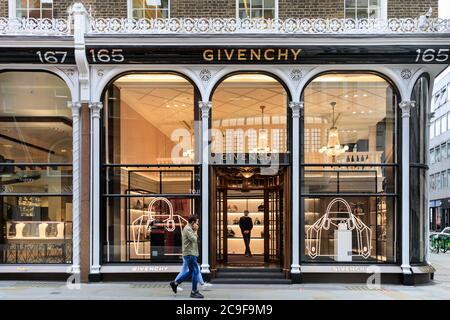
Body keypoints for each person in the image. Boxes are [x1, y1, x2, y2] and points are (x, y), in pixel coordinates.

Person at [169, 215, 204, 298]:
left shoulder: (189, 228)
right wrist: (196, 231)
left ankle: (175, 283)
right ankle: (193, 291)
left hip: (191, 253)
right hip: (189, 254)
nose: (197, 224)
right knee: (195, 271)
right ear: (192, 222)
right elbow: (194, 239)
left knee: (191, 271)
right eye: (197, 222)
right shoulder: (188, 229)